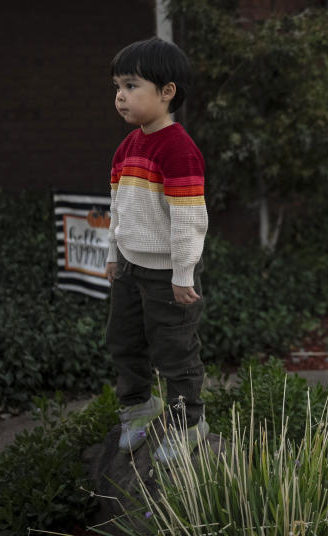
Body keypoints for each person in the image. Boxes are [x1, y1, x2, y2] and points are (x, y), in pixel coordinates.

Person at [104, 37, 209, 465]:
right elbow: (118, 208)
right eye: (117, 87)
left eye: (131, 85)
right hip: (129, 268)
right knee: (124, 342)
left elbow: (189, 219)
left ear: (167, 92)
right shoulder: (128, 147)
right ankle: (139, 408)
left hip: (168, 275)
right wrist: (114, 253)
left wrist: (183, 273)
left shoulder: (178, 148)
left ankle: (189, 424)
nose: (120, 96)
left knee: (175, 351)